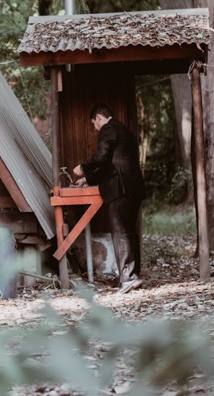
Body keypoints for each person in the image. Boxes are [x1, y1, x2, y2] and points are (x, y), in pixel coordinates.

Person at [72, 103, 146, 293]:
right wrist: (87, 180)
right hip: (134, 187)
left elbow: (102, 155)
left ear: (98, 117)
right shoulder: (124, 131)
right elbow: (108, 164)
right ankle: (132, 275)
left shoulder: (108, 128)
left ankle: (127, 278)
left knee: (120, 232)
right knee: (129, 231)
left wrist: (83, 167)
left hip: (120, 187)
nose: (95, 128)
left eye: (93, 124)